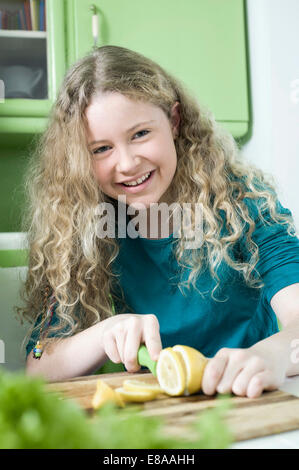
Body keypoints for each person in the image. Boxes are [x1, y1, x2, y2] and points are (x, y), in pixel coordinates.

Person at [18, 45, 299, 399]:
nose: (127, 163)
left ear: (174, 121)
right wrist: (106, 333)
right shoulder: (80, 229)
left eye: (140, 134)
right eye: (101, 149)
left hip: (248, 399)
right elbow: (38, 362)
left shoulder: (243, 201)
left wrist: (270, 356)